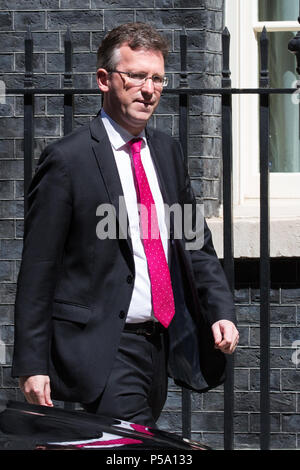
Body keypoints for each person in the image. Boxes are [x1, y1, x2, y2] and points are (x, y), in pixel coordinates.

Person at [12, 22, 239, 428]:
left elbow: (194, 242)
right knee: (133, 446)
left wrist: (219, 309)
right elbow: (38, 269)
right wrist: (31, 362)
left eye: (157, 79)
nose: (148, 89)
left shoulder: (167, 152)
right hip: (103, 346)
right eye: (135, 76)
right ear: (104, 80)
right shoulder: (69, 160)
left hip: (160, 345)